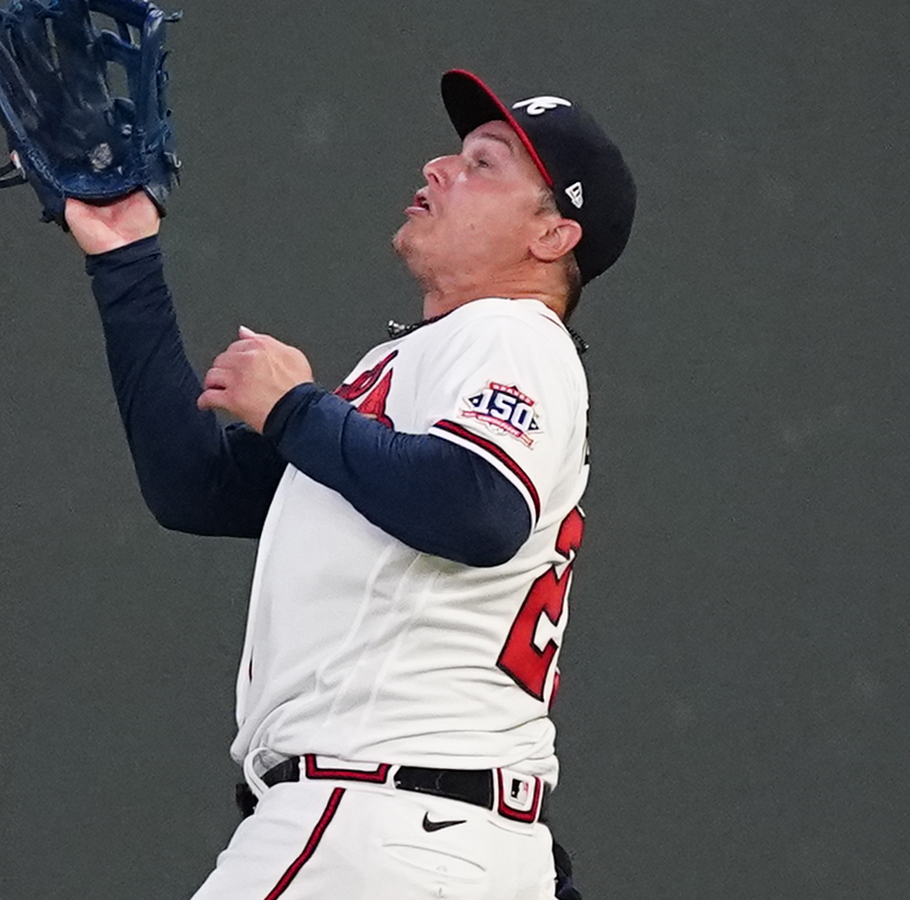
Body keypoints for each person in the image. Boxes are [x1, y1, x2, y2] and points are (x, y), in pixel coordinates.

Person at [65, 69, 635, 900]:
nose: (441, 167)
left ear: (552, 239)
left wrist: (294, 409)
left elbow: (476, 508)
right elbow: (198, 487)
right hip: (443, 831)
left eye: (485, 164)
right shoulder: (421, 363)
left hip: (379, 823)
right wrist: (126, 259)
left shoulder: (512, 334)